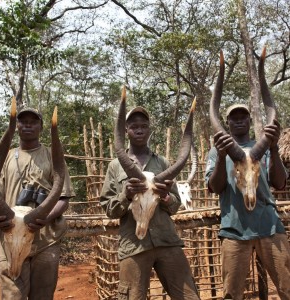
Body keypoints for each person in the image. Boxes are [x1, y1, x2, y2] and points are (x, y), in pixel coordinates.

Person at [100, 106, 200, 300]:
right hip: (133, 245)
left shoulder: (162, 162)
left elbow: (175, 205)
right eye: (134, 126)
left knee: (189, 297)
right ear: (126, 130)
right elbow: (109, 209)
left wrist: (166, 197)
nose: (139, 130)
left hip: (167, 241)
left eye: (144, 126)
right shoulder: (115, 166)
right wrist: (126, 195)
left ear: (149, 130)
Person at [205, 104, 290, 299]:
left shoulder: (264, 149)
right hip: (234, 229)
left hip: (269, 226)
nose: (239, 120)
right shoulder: (217, 152)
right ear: (227, 123)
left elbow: (279, 182)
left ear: (250, 121)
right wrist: (220, 156)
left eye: (244, 116)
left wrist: (274, 147)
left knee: (287, 287)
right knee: (231, 293)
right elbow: (215, 188)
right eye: (234, 118)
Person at [0, 107, 75, 299]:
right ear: (17, 126)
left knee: (43, 295)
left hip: (45, 240)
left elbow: (63, 198)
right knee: (12, 296)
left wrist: (45, 218)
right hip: (11, 238)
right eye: (23, 121)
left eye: (33, 121)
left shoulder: (53, 156)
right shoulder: (5, 157)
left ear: (41, 127)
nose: (28, 124)